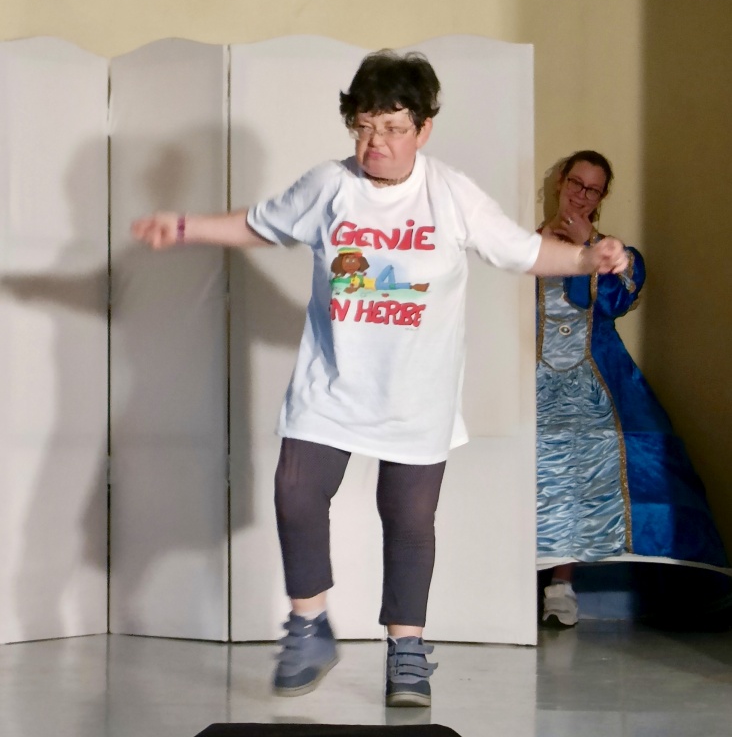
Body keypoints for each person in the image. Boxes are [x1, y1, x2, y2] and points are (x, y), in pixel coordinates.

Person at [132, 51, 627, 707]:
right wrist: (185, 226)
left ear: (423, 129)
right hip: (332, 382)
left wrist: (588, 257)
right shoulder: (329, 186)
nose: (376, 144)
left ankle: (407, 651)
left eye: (393, 128)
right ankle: (309, 626)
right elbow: (260, 223)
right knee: (295, 492)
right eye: (364, 127)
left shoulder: (450, 193)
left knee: (408, 517)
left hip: (417, 391)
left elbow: (523, 250)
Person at [536, 150, 729, 629]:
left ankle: (564, 584)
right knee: (538, 456)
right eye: (576, 183)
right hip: (531, 380)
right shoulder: (525, 247)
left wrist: (588, 247)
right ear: (560, 182)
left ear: (602, 197)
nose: (581, 195)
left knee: (635, 455)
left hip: (603, 381)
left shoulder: (618, 256)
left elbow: (613, 303)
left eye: (592, 190)